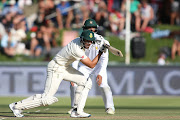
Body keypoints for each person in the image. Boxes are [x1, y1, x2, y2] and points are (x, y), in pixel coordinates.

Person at [9, 30, 107, 118]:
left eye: (90, 41)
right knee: (47, 99)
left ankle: (77, 111)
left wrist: (102, 42)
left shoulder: (81, 40)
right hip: (56, 68)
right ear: (82, 39)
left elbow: (92, 37)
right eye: (87, 41)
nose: (89, 43)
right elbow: (91, 64)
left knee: (86, 82)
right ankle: (16, 106)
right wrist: (101, 52)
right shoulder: (76, 49)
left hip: (65, 67)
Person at [68, 19, 115, 115]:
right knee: (75, 84)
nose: (92, 33)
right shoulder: (78, 41)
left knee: (104, 86)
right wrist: (73, 73)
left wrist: (101, 73)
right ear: (84, 30)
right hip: (84, 66)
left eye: (94, 30)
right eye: (89, 30)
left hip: (98, 66)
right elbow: (76, 58)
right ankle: (75, 107)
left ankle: (109, 107)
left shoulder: (102, 41)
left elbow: (104, 59)